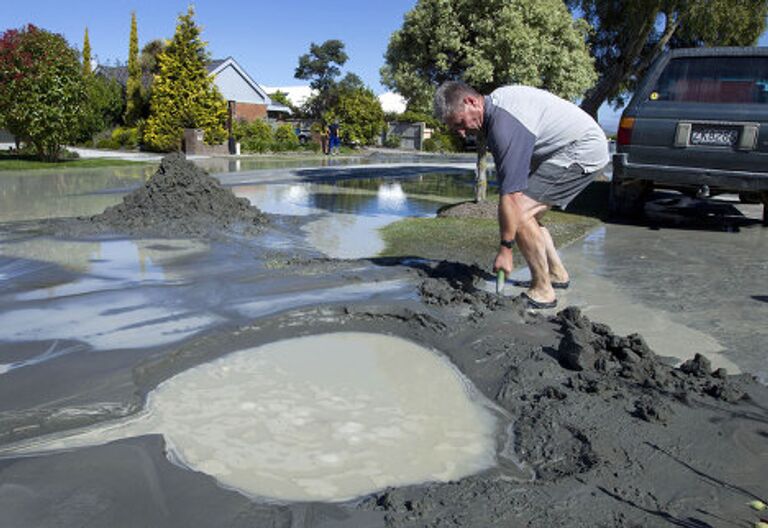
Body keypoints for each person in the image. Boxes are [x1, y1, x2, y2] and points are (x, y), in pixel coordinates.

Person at [434, 81, 609, 309]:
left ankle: (543, 290)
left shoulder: (504, 123)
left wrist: (505, 249)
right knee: (528, 214)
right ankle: (556, 273)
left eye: (459, 122)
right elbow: (509, 181)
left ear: (471, 101)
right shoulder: (495, 111)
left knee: (522, 214)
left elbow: (511, 196)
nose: (461, 131)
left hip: (581, 149)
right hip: (561, 151)